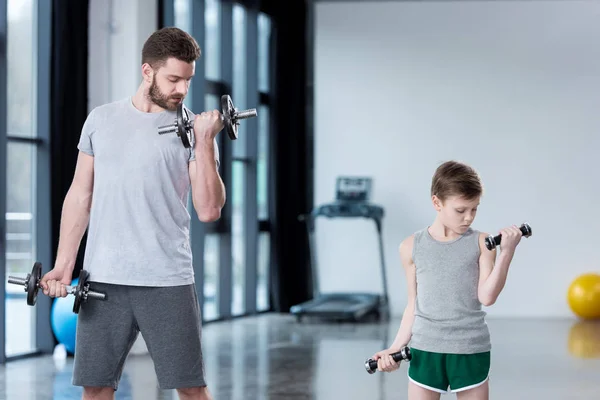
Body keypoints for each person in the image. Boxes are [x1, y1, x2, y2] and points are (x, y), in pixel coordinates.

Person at [39, 27, 223, 400]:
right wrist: (64, 263)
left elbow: (208, 209)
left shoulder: (192, 132)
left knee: (191, 389)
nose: (181, 90)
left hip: (167, 278)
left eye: (187, 80)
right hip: (103, 278)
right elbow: (80, 194)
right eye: (173, 79)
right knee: (96, 388)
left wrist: (205, 143)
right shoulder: (101, 120)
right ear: (147, 71)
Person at [371, 160, 524, 400]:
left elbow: (487, 297)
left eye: (474, 209)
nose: (468, 218)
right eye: (460, 210)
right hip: (425, 349)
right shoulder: (411, 246)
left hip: (469, 349)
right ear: (437, 203)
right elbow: (413, 305)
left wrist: (507, 252)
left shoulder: (482, 244)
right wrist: (395, 347)